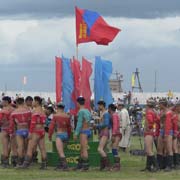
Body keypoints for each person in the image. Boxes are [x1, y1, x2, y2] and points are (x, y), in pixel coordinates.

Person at [21, 96, 47, 169]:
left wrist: (30, 132)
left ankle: (25, 165)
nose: (32, 103)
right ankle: (44, 165)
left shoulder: (35, 111)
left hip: (36, 131)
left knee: (30, 148)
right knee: (42, 148)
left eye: (33, 101)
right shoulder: (42, 110)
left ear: (37, 102)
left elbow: (33, 123)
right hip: (42, 131)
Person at [48, 102, 71, 171]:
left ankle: (65, 166)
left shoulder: (55, 116)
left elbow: (51, 127)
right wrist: (68, 136)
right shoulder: (67, 116)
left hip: (59, 135)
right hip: (66, 134)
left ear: (57, 108)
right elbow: (69, 127)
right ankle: (60, 165)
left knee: (60, 152)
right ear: (63, 108)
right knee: (61, 151)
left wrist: (49, 135)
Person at [9, 97, 31, 167]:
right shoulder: (28, 111)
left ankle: (19, 163)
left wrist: (11, 133)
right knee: (26, 148)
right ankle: (25, 163)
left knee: (20, 147)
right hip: (27, 130)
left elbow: (12, 124)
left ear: (17, 103)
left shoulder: (14, 113)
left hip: (19, 131)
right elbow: (31, 122)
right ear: (23, 102)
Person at [73, 96, 91, 171]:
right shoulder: (87, 111)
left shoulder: (80, 111)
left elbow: (79, 123)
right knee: (82, 149)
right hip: (88, 131)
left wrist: (76, 133)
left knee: (84, 149)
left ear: (78, 103)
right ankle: (80, 165)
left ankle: (85, 166)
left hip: (83, 131)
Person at [157, 99, 174, 171]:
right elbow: (160, 121)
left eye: (159, 104)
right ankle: (161, 165)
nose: (158, 105)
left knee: (168, 148)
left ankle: (169, 165)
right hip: (162, 130)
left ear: (162, 104)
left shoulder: (169, 112)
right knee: (160, 148)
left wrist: (166, 134)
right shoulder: (161, 112)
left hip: (168, 131)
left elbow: (169, 124)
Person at [0, 96, 16, 168]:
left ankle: (5, 163)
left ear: (6, 102)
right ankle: (14, 162)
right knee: (13, 147)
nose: (1, 103)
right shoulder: (14, 110)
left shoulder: (2, 111)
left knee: (5, 147)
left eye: (2, 101)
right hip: (13, 129)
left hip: (4, 129)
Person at [141, 99, 157, 172]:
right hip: (150, 132)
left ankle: (156, 166)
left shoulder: (149, 112)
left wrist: (147, 128)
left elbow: (150, 122)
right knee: (148, 151)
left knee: (149, 150)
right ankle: (148, 166)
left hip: (148, 132)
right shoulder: (152, 111)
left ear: (148, 105)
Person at [96, 100, 111, 171]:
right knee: (103, 150)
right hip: (102, 133)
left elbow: (106, 124)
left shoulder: (106, 113)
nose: (98, 107)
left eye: (99, 105)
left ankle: (108, 166)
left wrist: (97, 126)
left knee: (100, 149)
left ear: (102, 106)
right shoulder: (102, 113)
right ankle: (103, 166)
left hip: (105, 132)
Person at [108, 104, 121, 171]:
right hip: (116, 133)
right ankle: (117, 165)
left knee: (114, 149)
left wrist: (113, 134)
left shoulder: (114, 115)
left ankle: (117, 166)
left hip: (116, 134)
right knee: (114, 149)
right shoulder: (114, 115)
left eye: (108, 108)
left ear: (110, 108)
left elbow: (115, 125)